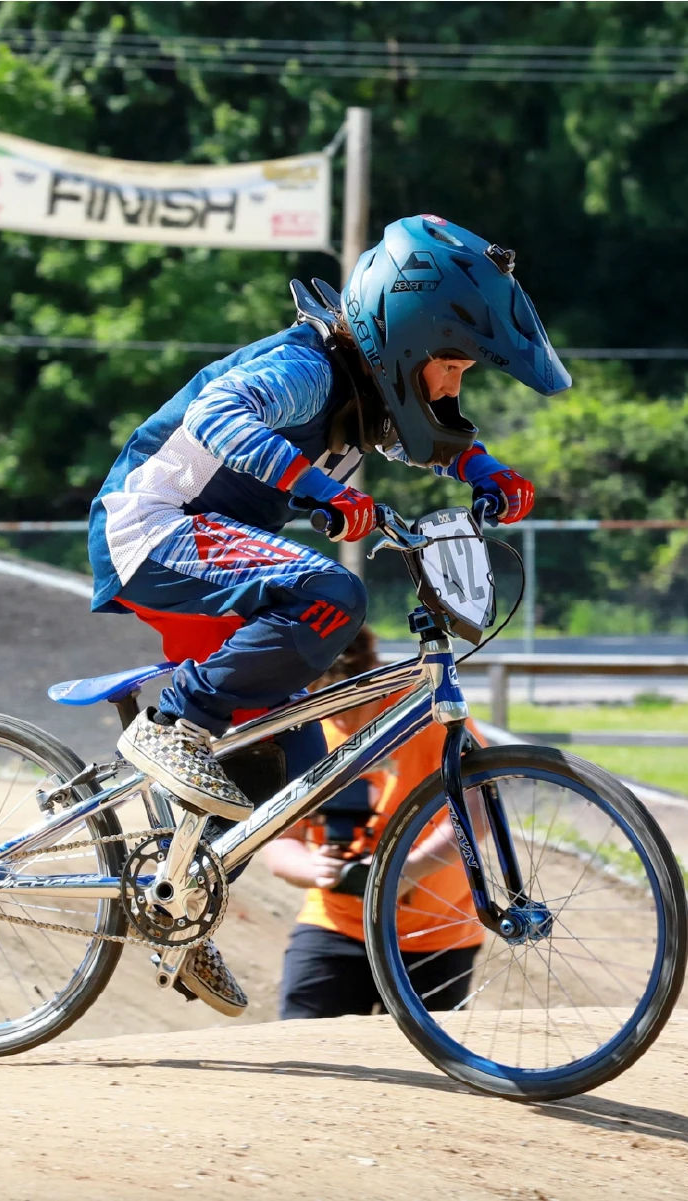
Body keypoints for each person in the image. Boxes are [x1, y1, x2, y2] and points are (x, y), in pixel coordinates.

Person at [88, 214, 570, 1015]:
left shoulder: (362, 396)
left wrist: (484, 467)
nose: (453, 387)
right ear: (408, 342)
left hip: (214, 556)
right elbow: (216, 418)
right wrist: (319, 491)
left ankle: (172, 901)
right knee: (333, 596)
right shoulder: (304, 366)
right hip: (153, 528)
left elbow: (420, 444)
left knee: (293, 769)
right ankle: (172, 721)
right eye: (451, 366)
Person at [259, 627, 488, 1019]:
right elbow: (278, 841)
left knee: (428, 1066)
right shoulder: (301, 731)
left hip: (437, 930)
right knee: (302, 1045)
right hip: (336, 923)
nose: (341, 722)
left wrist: (406, 870)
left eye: (352, 707)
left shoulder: (426, 714)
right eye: (326, 706)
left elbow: (476, 815)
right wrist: (312, 868)